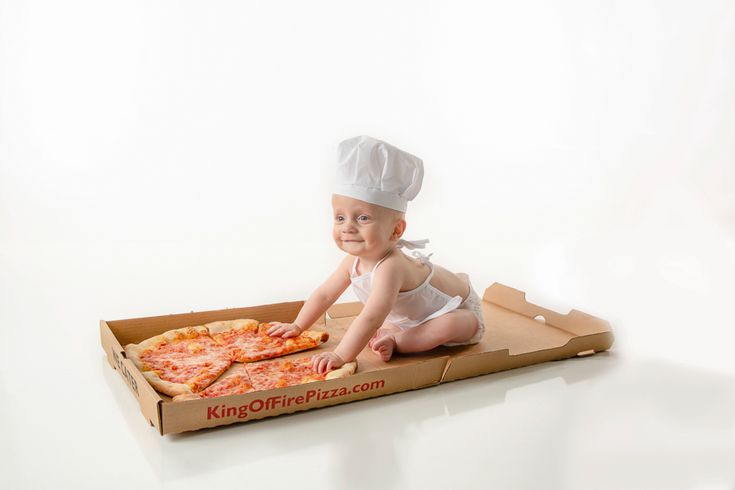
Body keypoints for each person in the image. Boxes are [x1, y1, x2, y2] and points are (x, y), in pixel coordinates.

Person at [267, 135, 485, 374]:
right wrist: (298, 325)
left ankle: (399, 341)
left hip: (456, 309)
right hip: (407, 317)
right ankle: (399, 332)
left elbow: (372, 317)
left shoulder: (391, 266)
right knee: (387, 323)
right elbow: (325, 294)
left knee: (450, 325)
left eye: (362, 218)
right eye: (340, 218)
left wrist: (341, 354)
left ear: (396, 230)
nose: (347, 227)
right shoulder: (352, 262)